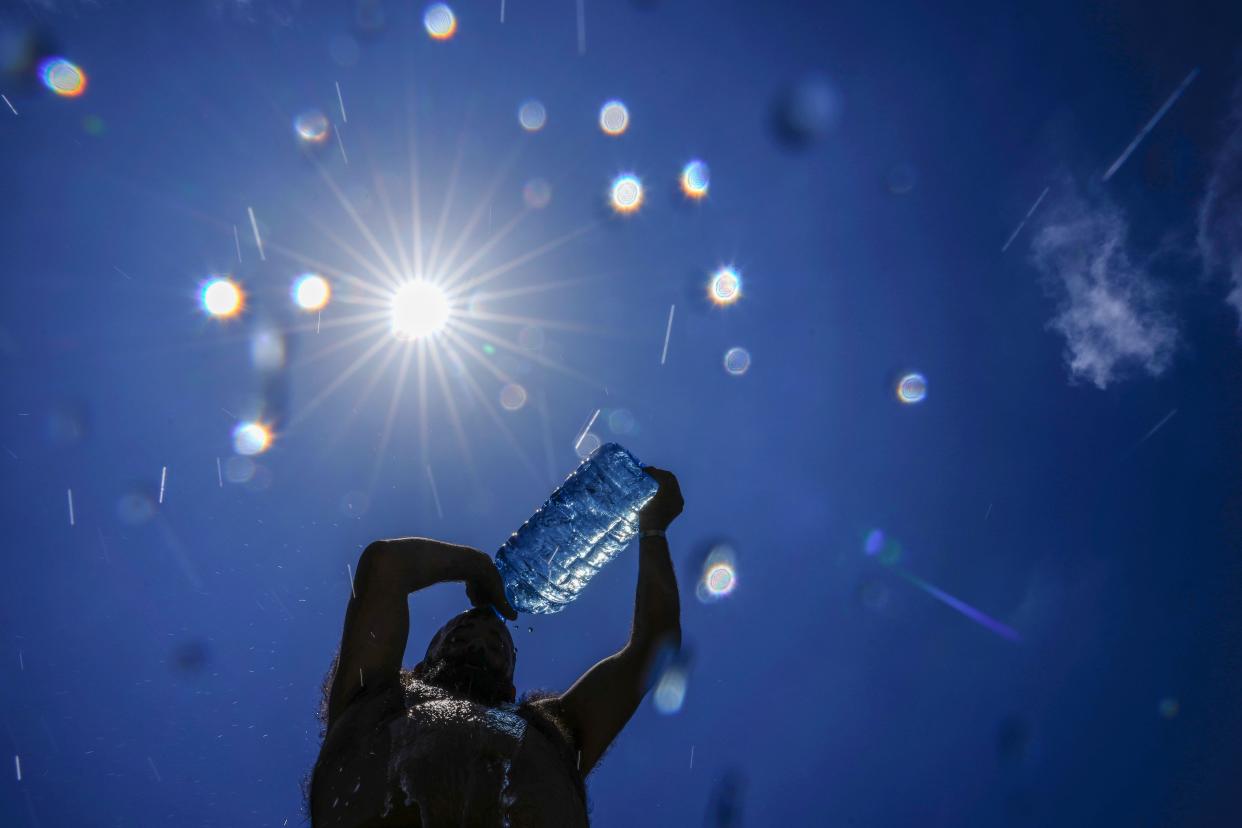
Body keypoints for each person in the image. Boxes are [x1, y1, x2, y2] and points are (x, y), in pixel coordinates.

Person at [308, 467, 684, 827]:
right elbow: (385, 565)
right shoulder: (371, 694)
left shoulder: (554, 728)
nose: (479, 640)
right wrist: (476, 567)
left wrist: (653, 529)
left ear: (511, 687)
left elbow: (654, 645)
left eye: (494, 645)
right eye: (460, 633)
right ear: (420, 667)